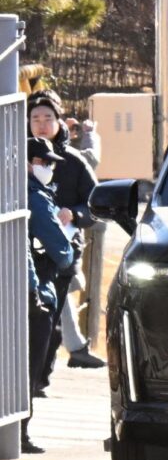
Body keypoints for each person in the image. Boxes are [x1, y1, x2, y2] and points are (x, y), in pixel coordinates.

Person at [27, 89, 104, 379]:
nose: (42, 124)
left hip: (63, 249)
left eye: (48, 118)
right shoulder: (18, 157)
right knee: (38, 315)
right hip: (26, 250)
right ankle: (35, 374)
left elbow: (95, 203)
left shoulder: (73, 162)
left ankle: (40, 374)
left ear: (60, 122)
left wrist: (74, 213)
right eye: (35, 118)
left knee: (52, 310)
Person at [25, 137, 74, 452]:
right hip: (38, 293)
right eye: (43, 162)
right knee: (29, 367)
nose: (49, 168)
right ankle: (19, 433)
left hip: (29, 290)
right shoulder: (37, 199)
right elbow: (62, 250)